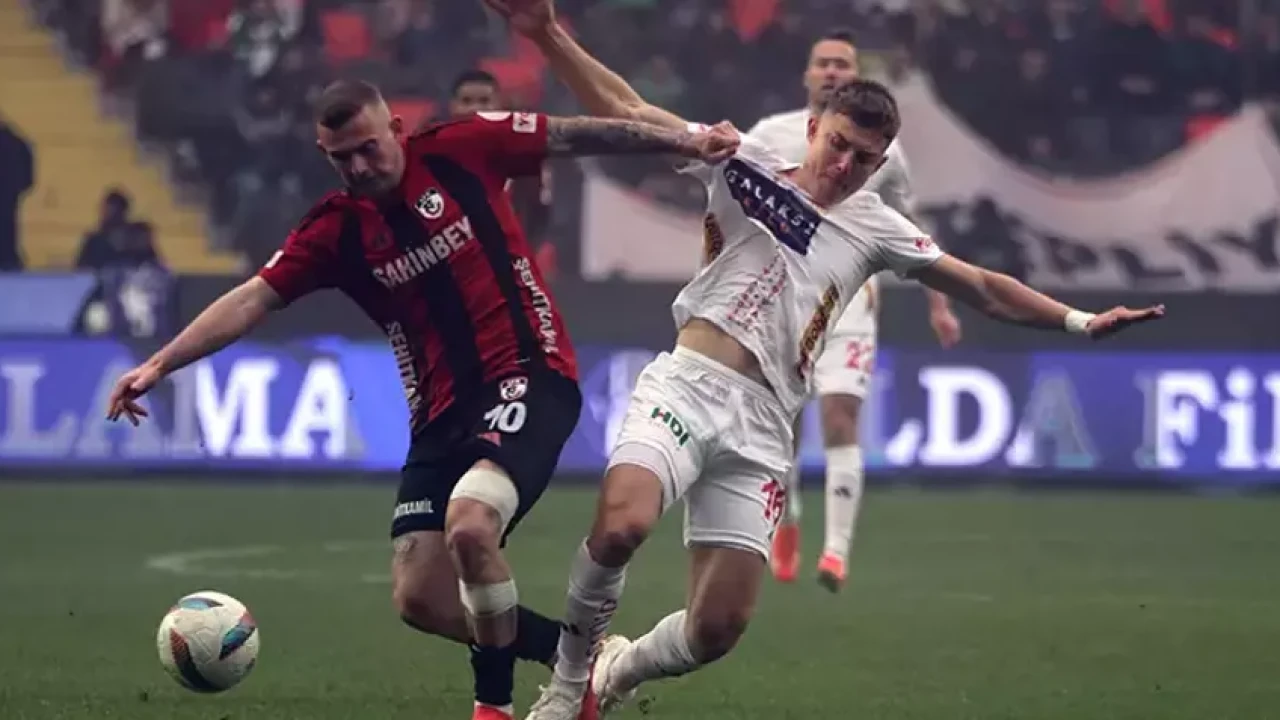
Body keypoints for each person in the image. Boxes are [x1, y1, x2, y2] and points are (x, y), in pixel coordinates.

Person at [479, 2, 1164, 718]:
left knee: (716, 630)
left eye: (864, 159)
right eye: (837, 145)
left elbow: (983, 286)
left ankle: (618, 670)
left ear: (881, 163)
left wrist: (1079, 321)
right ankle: (567, 689)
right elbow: (629, 111)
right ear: (813, 129)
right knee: (622, 526)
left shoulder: (878, 227)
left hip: (764, 424)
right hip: (686, 386)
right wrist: (546, 34)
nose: (844, 166)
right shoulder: (738, 160)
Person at [104, 79, 738, 720]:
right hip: (439, 416)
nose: (359, 166)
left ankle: (493, 708)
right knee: (421, 597)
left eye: (368, 148)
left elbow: (577, 135)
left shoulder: (462, 149)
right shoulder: (336, 230)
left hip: (529, 373)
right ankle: (579, 653)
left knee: (471, 525)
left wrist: (685, 140)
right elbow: (252, 298)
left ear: (396, 130)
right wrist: (159, 363)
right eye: (341, 158)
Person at [745, 28, 962, 591]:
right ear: (807, 75)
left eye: (842, 63)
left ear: (854, 75)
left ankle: (835, 553)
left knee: (841, 417)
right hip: (783, 304)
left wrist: (939, 304)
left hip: (851, 308)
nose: (832, 71)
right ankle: (786, 520)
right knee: (782, 425)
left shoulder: (885, 154)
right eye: (823, 63)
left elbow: (911, 232)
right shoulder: (770, 135)